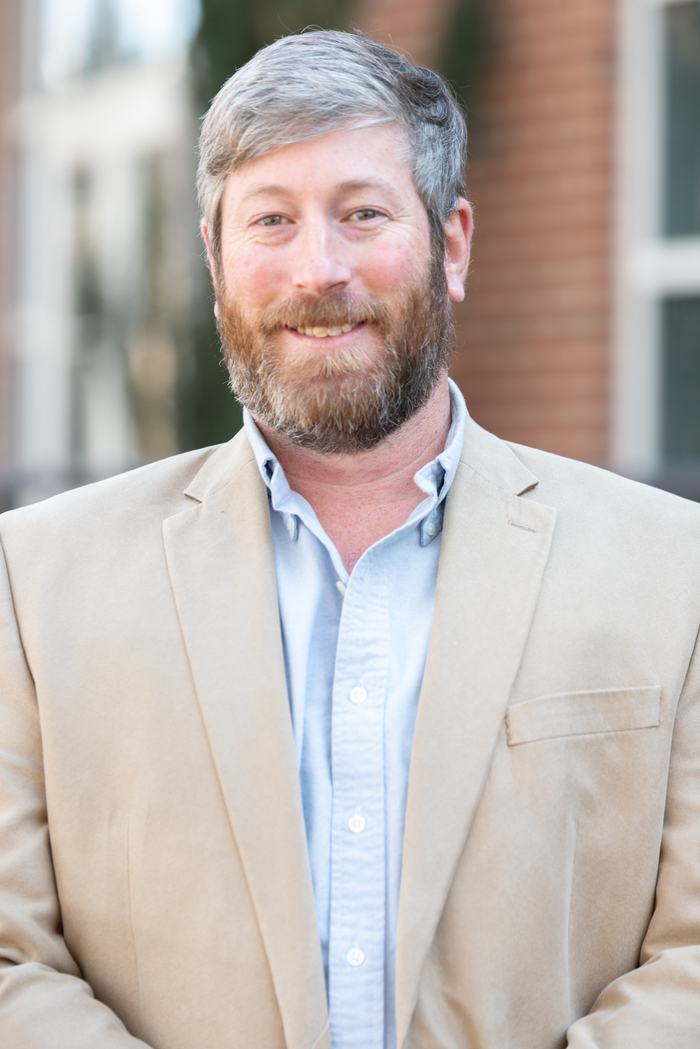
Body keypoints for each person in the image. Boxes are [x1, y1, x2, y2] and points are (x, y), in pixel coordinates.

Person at [0, 28, 699, 1049]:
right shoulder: (35, 581)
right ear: (215, 258)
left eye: (362, 213)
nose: (316, 269)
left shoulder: (672, 568)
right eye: (271, 220)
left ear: (449, 244)